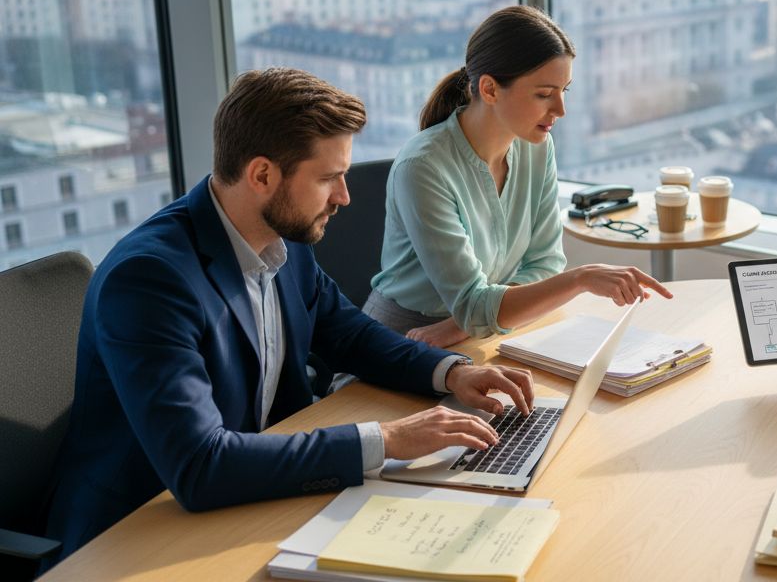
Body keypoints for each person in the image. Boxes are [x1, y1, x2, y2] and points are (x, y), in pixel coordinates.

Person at [44, 68, 535, 561]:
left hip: (254, 496)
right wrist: (385, 439)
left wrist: (452, 372)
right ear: (262, 175)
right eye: (328, 178)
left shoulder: (280, 240)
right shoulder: (150, 280)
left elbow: (347, 332)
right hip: (137, 535)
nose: (344, 196)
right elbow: (199, 466)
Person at [366, 5, 671, 347]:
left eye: (563, 91)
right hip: (402, 340)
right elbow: (479, 303)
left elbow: (546, 262)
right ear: (490, 89)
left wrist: (467, 322)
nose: (560, 110)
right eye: (543, 94)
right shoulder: (423, 167)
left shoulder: (537, 148)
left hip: (488, 330)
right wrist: (580, 279)